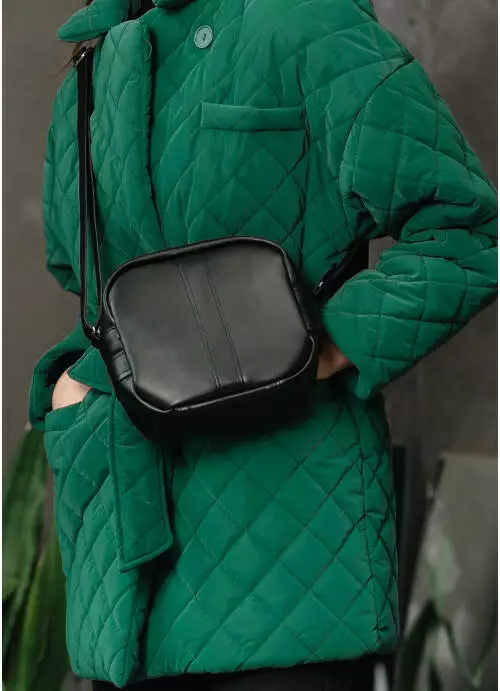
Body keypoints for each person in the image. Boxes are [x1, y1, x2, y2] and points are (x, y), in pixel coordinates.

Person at [30, 0, 497, 689]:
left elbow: (469, 233)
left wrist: (322, 344)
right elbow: (81, 270)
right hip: (124, 557)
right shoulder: (91, 65)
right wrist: (73, 386)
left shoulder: (308, 23)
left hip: (285, 538)